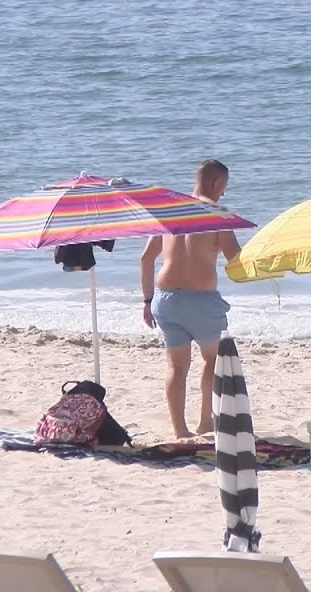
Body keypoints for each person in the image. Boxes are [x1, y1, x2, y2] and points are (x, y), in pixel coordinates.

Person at [140, 160, 242, 439]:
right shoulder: (216, 213)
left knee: (176, 366)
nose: (223, 194)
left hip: (166, 300)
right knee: (213, 360)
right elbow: (236, 260)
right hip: (201, 302)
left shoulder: (170, 212)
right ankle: (205, 422)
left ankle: (180, 430)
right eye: (224, 188)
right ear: (217, 183)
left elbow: (146, 259)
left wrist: (147, 301)